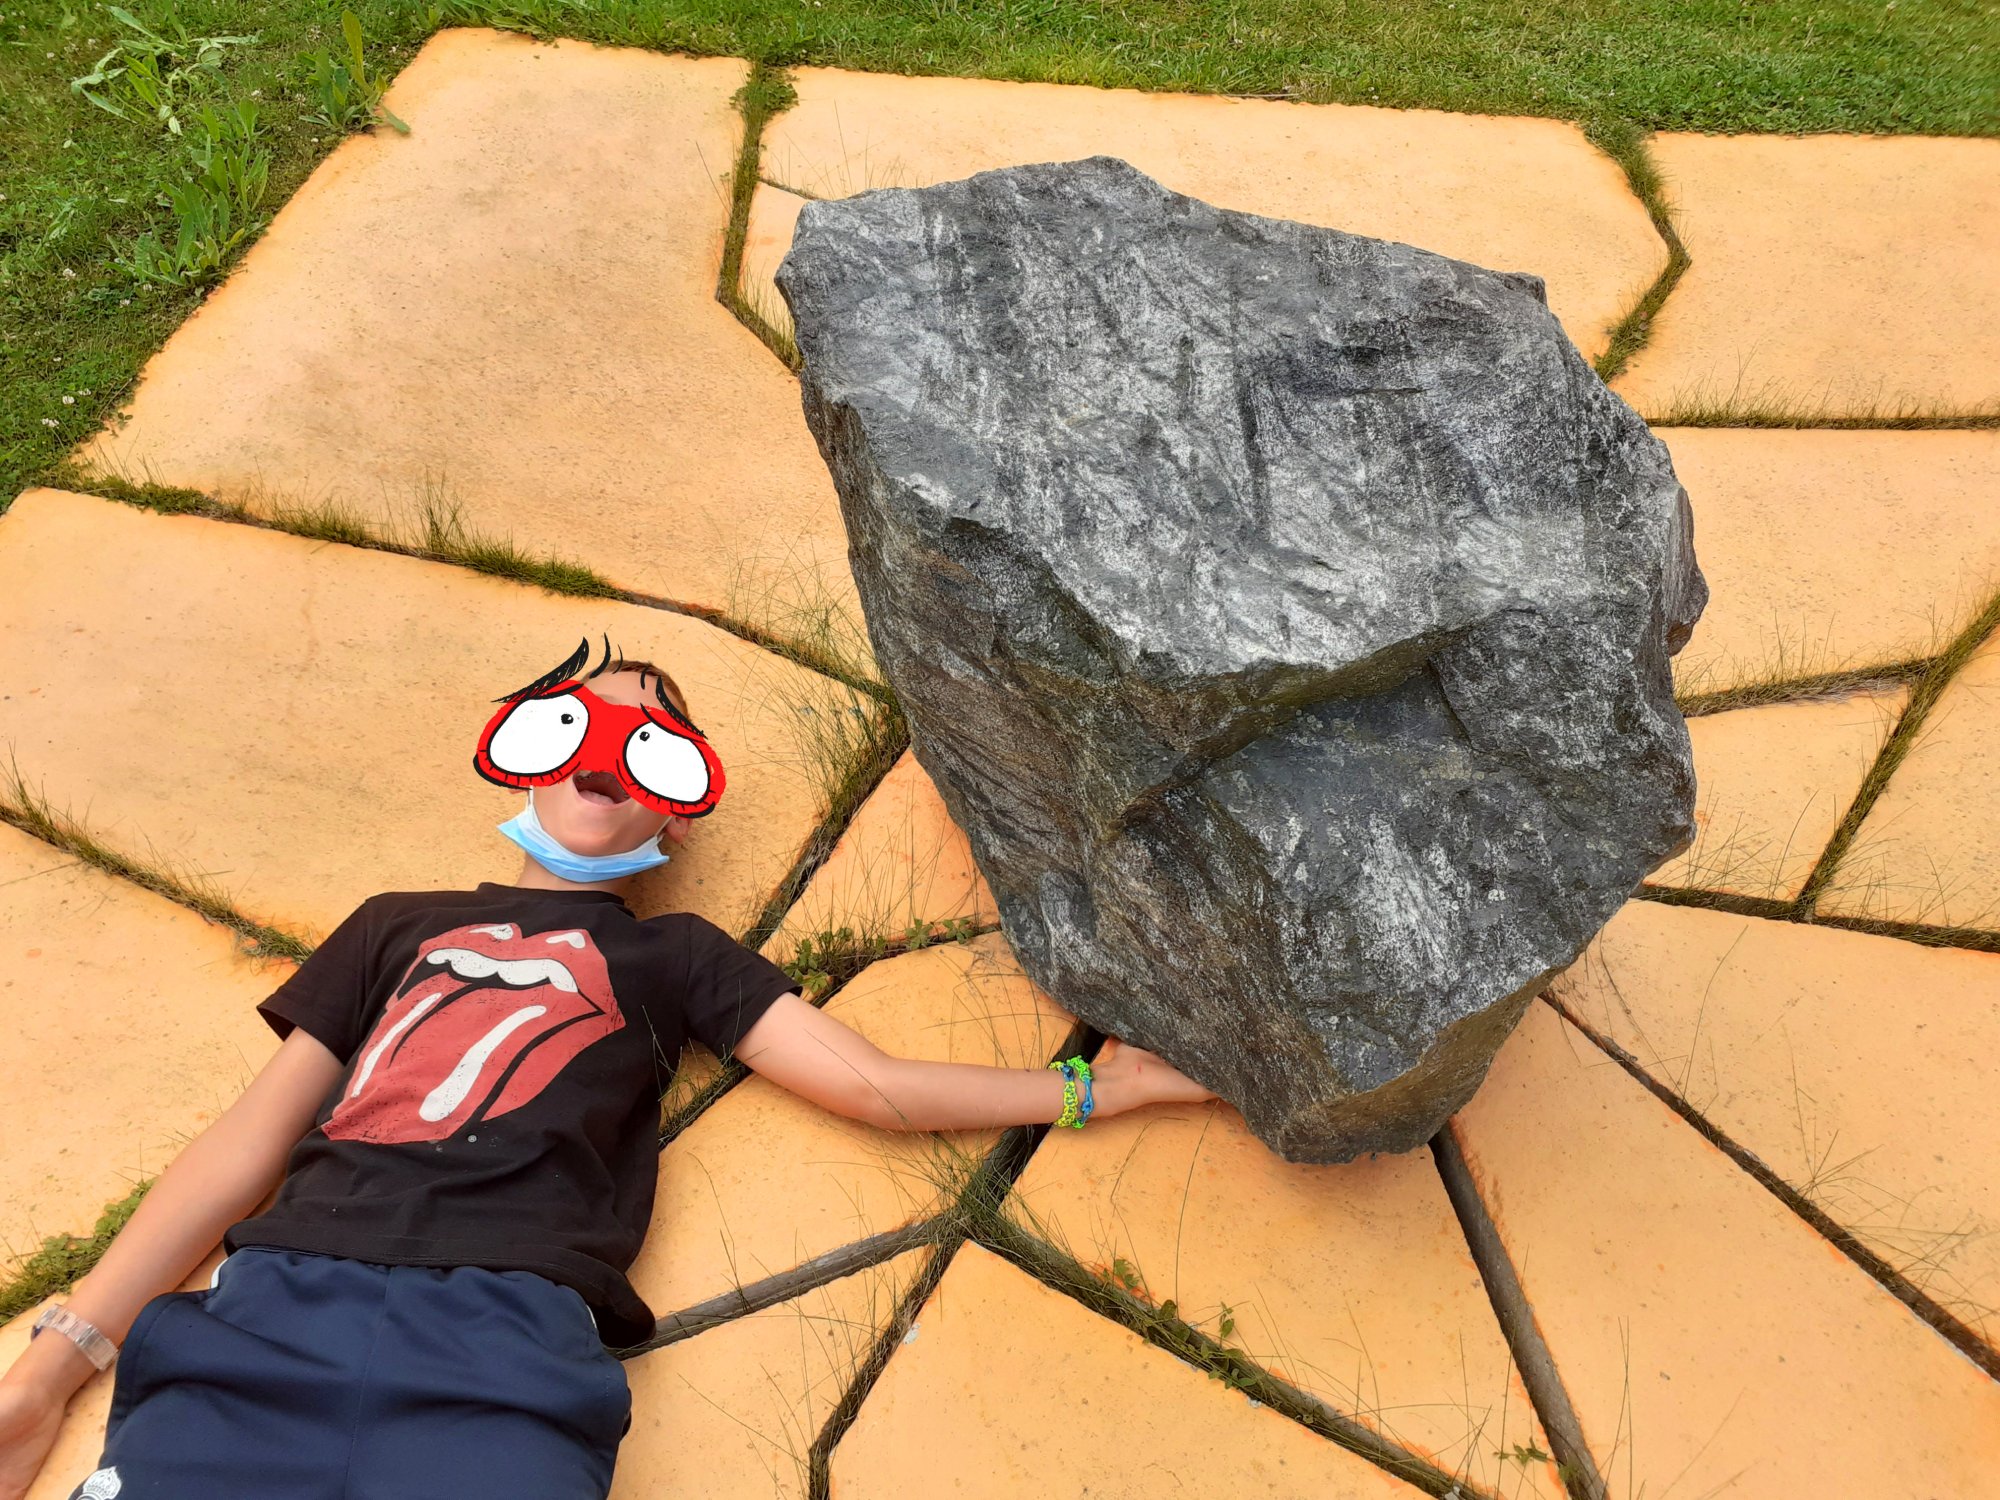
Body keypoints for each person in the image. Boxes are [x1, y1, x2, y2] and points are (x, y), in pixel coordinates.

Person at [0, 650, 1217, 1500]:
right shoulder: (394, 923)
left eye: (652, 742)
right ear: (523, 758)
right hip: (272, 1315)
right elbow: (244, 1145)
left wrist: (1098, 1090)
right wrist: (50, 1372)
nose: (608, 749)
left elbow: (873, 1086)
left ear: (674, 814)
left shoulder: (676, 956)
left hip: (504, 1351)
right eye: (575, 720)